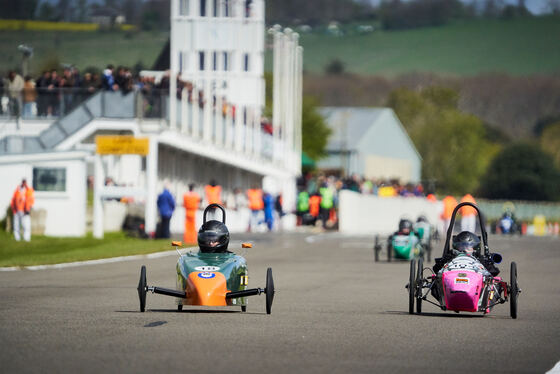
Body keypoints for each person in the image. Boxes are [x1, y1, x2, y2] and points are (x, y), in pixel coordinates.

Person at [433, 231, 500, 276]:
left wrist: (488, 262)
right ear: (456, 247)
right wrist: (444, 260)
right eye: (462, 247)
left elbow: (494, 272)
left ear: (474, 249)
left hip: (474, 281)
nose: (464, 250)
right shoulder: (450, 256)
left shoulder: (479, 258)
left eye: (468, 247)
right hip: (451, 279)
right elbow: (436, 269)